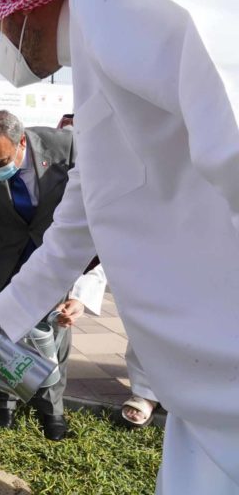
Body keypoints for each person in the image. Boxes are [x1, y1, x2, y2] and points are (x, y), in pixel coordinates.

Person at [0, 0, 239, 491]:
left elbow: (231, 119)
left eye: (0, 22)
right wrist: (7, 309)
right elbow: (88, 203)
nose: (5, 40)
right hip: (201, 374)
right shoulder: (97, 44)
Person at [0, 109, 106, 440]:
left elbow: (94, 211)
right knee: (6, 324)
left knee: (53, 332)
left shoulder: (67, 147)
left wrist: (81, 288)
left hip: (55, 254)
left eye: (0, 161)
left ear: (21, 142)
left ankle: (52, 410)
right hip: (8, 254)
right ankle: (4, 401)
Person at [57, 112, 160, 429]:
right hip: (150, 246)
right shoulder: (110, 166)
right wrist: (80, 295)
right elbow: (99, 241)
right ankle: (146, 391)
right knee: (149, 316)